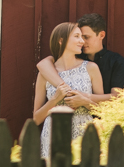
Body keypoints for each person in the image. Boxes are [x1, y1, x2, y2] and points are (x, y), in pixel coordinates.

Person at [33, 22, 104, 158]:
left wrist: (84, 101)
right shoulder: (44, 74)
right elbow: (36, 119)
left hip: (84, 132)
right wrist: (55, 99)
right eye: (77, 36)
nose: (82, 41)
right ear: (61, 40)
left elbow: (101, 110)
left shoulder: (91, 68)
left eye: (82, 37)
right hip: (53, 134)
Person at [36, 13, 124, 110]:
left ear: (101, 35)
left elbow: (118, 96)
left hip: (105, 118)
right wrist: (67, 91)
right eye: (78, 36)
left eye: (86, 37)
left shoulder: (117, 61)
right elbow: (43, 64)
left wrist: (84, 97)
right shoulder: (75, 54)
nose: (82, 41)